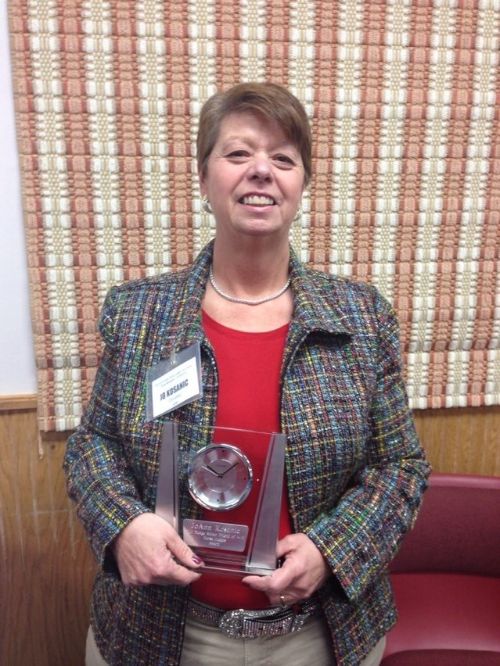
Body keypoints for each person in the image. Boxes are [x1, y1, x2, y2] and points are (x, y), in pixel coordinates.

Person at [64, 82, 430, 666]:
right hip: (158, 634)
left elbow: (401, 467)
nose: (261, 170)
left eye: (283, 158)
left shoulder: (360, 317)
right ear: (204, 178)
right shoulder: (137, 313)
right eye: (237, 154)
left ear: (302, 185)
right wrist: (123, 526)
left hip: (317, 637)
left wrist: (334, 550)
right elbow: (93, 446)